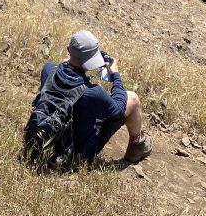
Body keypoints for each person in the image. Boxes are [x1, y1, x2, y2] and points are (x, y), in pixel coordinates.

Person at [31, 29, 152, 166]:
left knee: (92, 108)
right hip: (77, 156)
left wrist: (72, 60)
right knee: (133, 99)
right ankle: (137, 148)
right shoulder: (93, 93)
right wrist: (116, 76)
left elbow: (61, 67)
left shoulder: (48, 70)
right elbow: (119, 108)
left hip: (45, 137)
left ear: (68, 50)